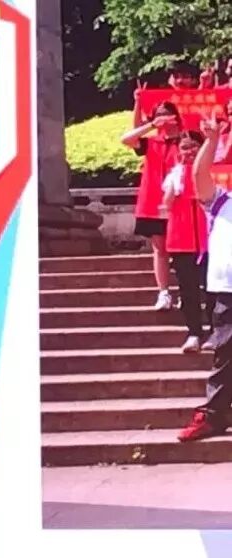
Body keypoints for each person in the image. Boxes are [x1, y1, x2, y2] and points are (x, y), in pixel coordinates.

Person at [181, 112, 232, 441]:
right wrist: (211, 140)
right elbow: (199, 174)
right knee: (225, 354)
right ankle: (214, 415)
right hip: (227, 290)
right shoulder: (220, 201)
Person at [122, 102, 183, 310]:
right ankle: (164, 292)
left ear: (176, 116)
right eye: (159, 114)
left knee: (184, 250)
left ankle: (186, 291)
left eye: (167, 113)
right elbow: (127, 139)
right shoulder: (151, 142)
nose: (163, 117)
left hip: (181, 202)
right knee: (160, 248)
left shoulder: (186, 140)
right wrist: (146, 117)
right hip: (154, 202)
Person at [159, 130, 214, 353]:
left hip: (210, 241)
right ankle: (194, 333)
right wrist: (177, 178)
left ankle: (215, 331)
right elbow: (166, 205)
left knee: (213, 289)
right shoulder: (175, 174)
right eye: (184, 147)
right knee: (188, 290)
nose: (189, 151)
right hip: (181, 241)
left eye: (193, 146)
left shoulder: (211, 171)